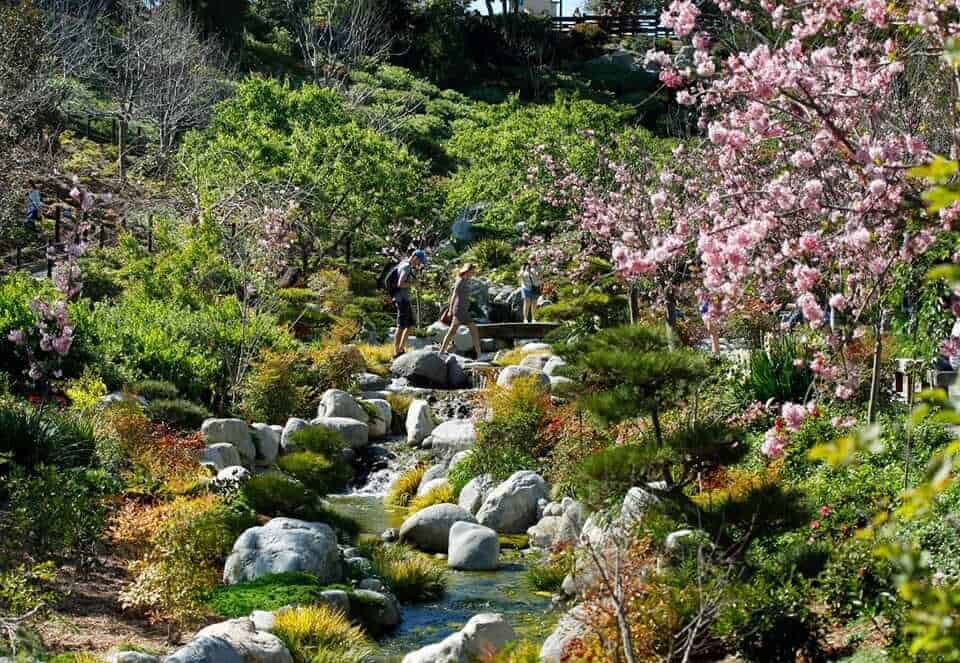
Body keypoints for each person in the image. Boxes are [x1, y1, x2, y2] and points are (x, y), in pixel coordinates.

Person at [440, 263, 482, 358]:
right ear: (467, 271)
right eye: (472, 271)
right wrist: (450, 310)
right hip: (459, 310)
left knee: (473, 330)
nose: (473, 273)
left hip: (464, 310)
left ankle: (479, 354)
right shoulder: (460, 281)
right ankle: (442, 352)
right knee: (452, 331)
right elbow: (454, 295)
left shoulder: (466, 280)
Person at [391, 250, 426, 358]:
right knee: (401, 326)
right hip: (401, 300)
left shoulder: (405, 264)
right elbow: (400, 283)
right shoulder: (406, 266)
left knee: (410, 325)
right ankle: (396, 352)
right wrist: (413, 284)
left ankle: (401, 349)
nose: (419, 263)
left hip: (405, 299)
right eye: (419, 260)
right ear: (415, 257)